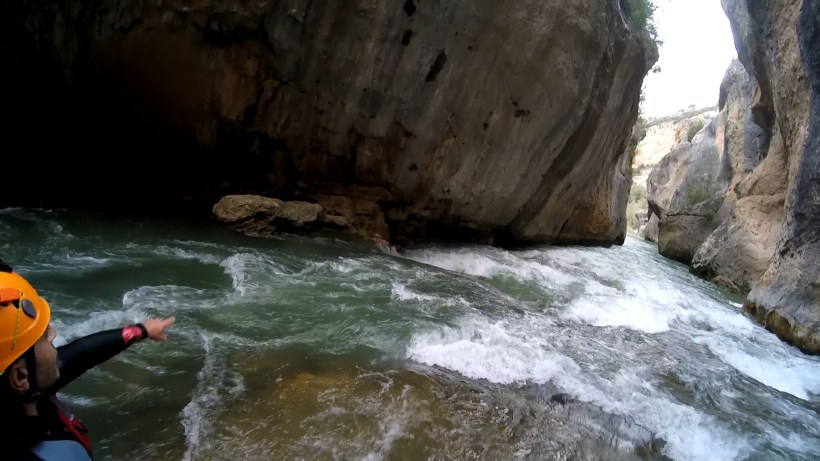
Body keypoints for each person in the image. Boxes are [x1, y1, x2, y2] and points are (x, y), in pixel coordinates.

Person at [0, 261, 176, 460]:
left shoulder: (20, 392)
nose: (54, 335)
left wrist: (142, 330)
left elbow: (81, 354)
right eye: (43, 337)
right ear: (20, 376)